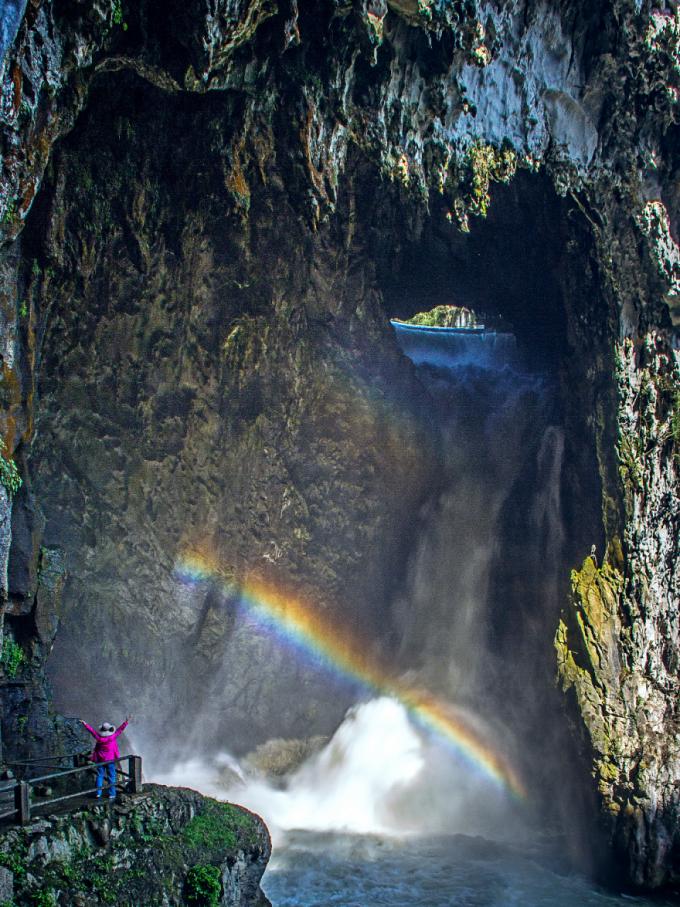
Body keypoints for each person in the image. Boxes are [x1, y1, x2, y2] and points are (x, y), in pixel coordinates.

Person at [80, 715, 131, 800]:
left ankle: (98, 793)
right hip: (110, 760)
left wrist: (85, 724)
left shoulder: (99, 738)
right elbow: (120, 730)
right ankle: (112, 794)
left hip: (100, 760)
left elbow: (92, 731)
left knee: (100, 776)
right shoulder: (112, 737)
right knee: (111, 776)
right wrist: (126, 722)